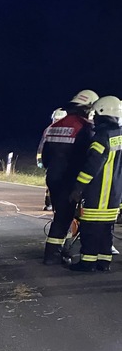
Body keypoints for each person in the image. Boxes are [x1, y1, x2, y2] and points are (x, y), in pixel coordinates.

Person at [40, 89, 98, 263]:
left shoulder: (54, 127)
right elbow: (87, 157)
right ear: (87, 108)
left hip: (53, 177)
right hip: (70, 179)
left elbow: (45, 157)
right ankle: (52, 255)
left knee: (62, 214)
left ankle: (61, 249)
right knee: (64, 217)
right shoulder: (85, 128)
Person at [67, 95, 122, 272]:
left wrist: (78, 187)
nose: (94, 118)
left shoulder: (101, 137)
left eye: (95, 114)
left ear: (102, 113)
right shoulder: (119, 136)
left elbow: (92, 165)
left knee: (90, 229)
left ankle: (87, 263)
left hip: (98, 194)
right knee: (106, 230)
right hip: (114, 195)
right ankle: (104, 262)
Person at [37, 107, 66, 210]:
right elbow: (42, 147)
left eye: (59, 119)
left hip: (64, 162)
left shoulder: (70, 129)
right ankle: (49, 204)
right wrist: (40, 160)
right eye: (55, 119)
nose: (56, 121)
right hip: (53, 162)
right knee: (50, 183)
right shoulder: (48, 130)